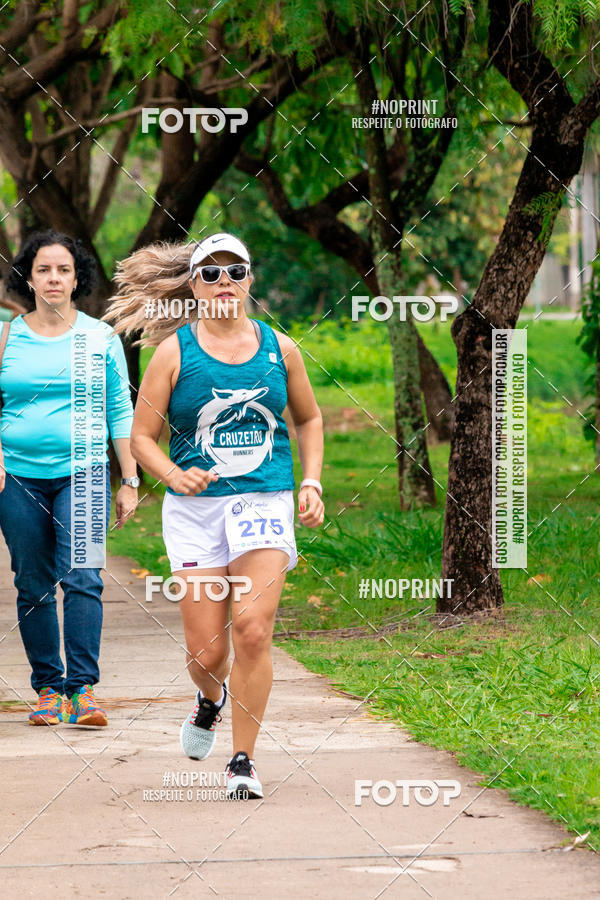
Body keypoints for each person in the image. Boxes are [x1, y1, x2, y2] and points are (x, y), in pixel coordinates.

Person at [105, 232, 324, 798]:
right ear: (194, 285)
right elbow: (142, 435)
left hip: (263, 503)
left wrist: (311, 479)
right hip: (195, 511)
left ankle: (243, 760)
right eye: (211, 273)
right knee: (208, 653)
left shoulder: (282, 349)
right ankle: (210, 697)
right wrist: (170, 474)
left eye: (235, 272)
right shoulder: (174, 352)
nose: (224, 282)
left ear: (250, 281)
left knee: (253, 630)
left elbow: (308, 420)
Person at [0, 231, 139, 727]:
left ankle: (81, 691)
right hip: (17, 478)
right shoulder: (7, 335)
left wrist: (129, 478)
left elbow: (120, 408)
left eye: (63, 269)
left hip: (83, 475)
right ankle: (47, 691)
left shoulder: (99, 337)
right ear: (29, 277)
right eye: (44, 270)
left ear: (77, 277)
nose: (54, 278)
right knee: (32, 582)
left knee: (82, 578)